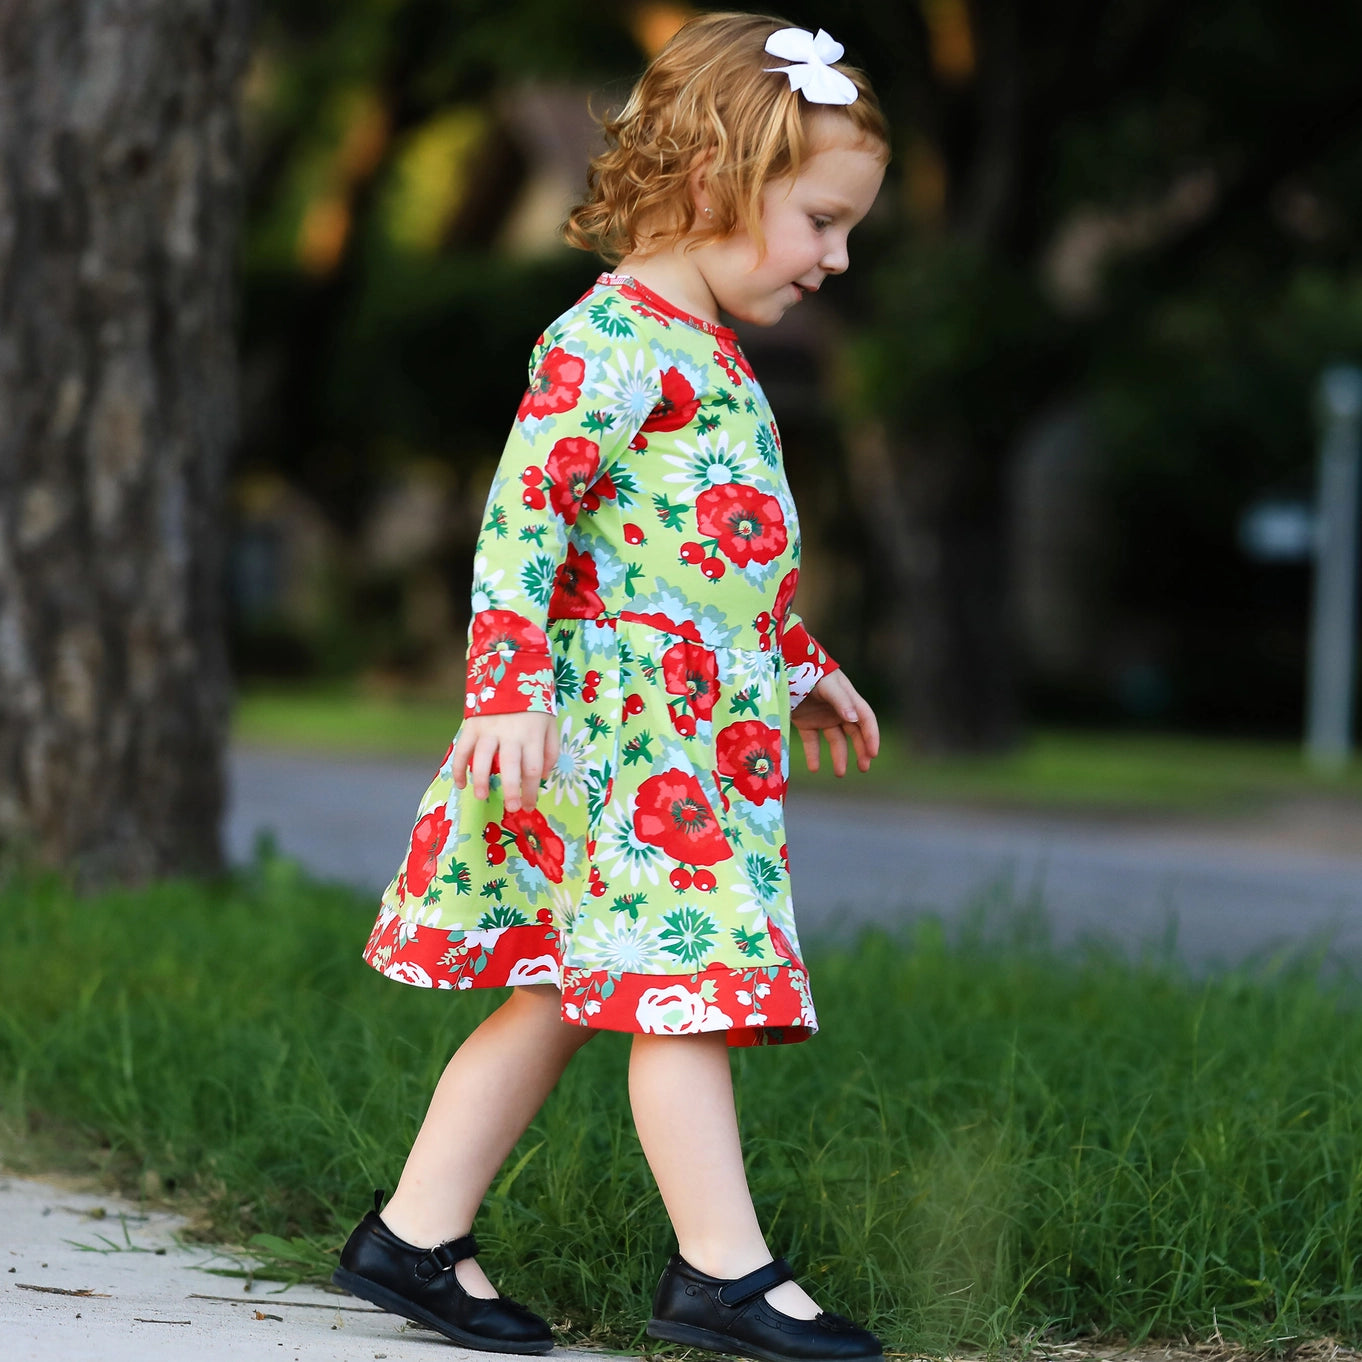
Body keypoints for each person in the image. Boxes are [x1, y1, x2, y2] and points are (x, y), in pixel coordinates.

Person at [334, 13, 889, 1361]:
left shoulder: (704, 351)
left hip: (680, 734)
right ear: (712, 182)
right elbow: (524, 520)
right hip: (616, 746)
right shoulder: (609, 343)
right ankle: (723, 1271)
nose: (837, 258)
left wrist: (799, 664)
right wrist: (505, 690)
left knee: (561, 989)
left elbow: (697, 558)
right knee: (676, 982)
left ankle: (412, 1233)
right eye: (820, 220)